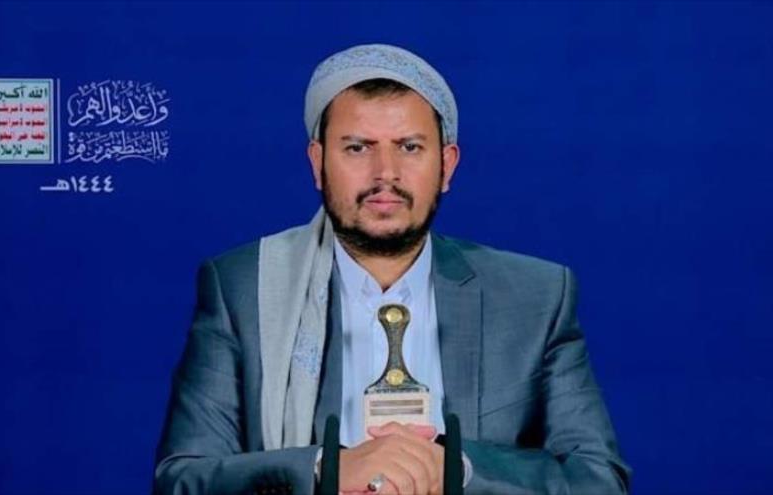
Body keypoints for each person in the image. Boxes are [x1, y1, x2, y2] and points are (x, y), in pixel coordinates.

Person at [153, 43, 631, 495]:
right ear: (318, 163)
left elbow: (597, 480)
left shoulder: (535, 297)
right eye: (357, 147)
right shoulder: (243, 288)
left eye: (410, 147)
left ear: (447, 165)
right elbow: (182, 480)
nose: (385, 173)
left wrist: (456, 469)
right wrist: (325, 468)